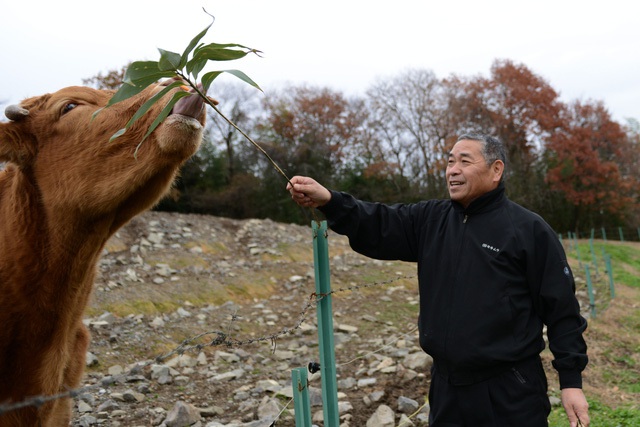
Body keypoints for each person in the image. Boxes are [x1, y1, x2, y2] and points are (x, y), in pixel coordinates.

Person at [287, 133, 589, 427]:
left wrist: (571, 382)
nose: (453, 170)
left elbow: (562, 311)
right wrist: (328, 200)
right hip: (447, 388)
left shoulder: (528, 230)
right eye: (449, 162)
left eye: (464, 161)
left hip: (509, 387)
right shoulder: (431, 219)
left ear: (496, 170)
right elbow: (377, 222)